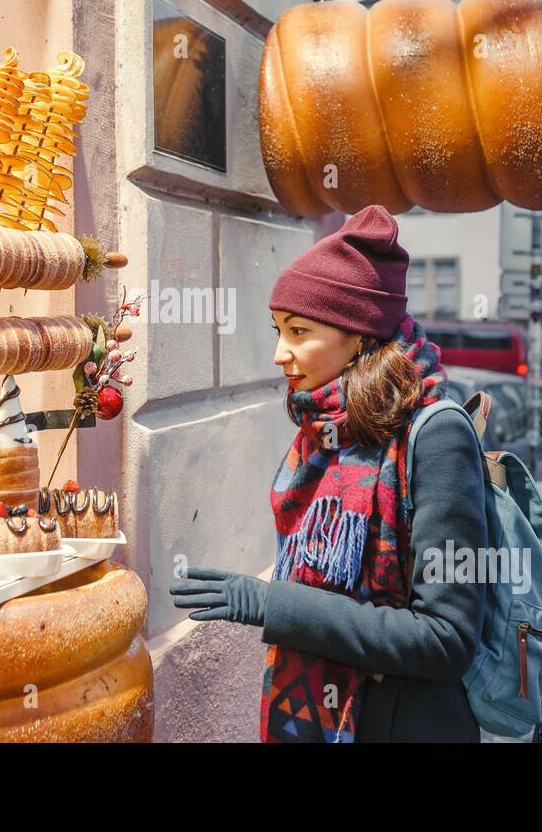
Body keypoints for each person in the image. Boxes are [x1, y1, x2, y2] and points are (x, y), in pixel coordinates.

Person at [169, 205, 488, 742]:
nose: (279, 353)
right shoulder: (322, 427)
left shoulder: (435, 437)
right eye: (278, 330)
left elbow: (445, 639)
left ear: (358, 336)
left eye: (298, 332)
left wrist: (275, 604)